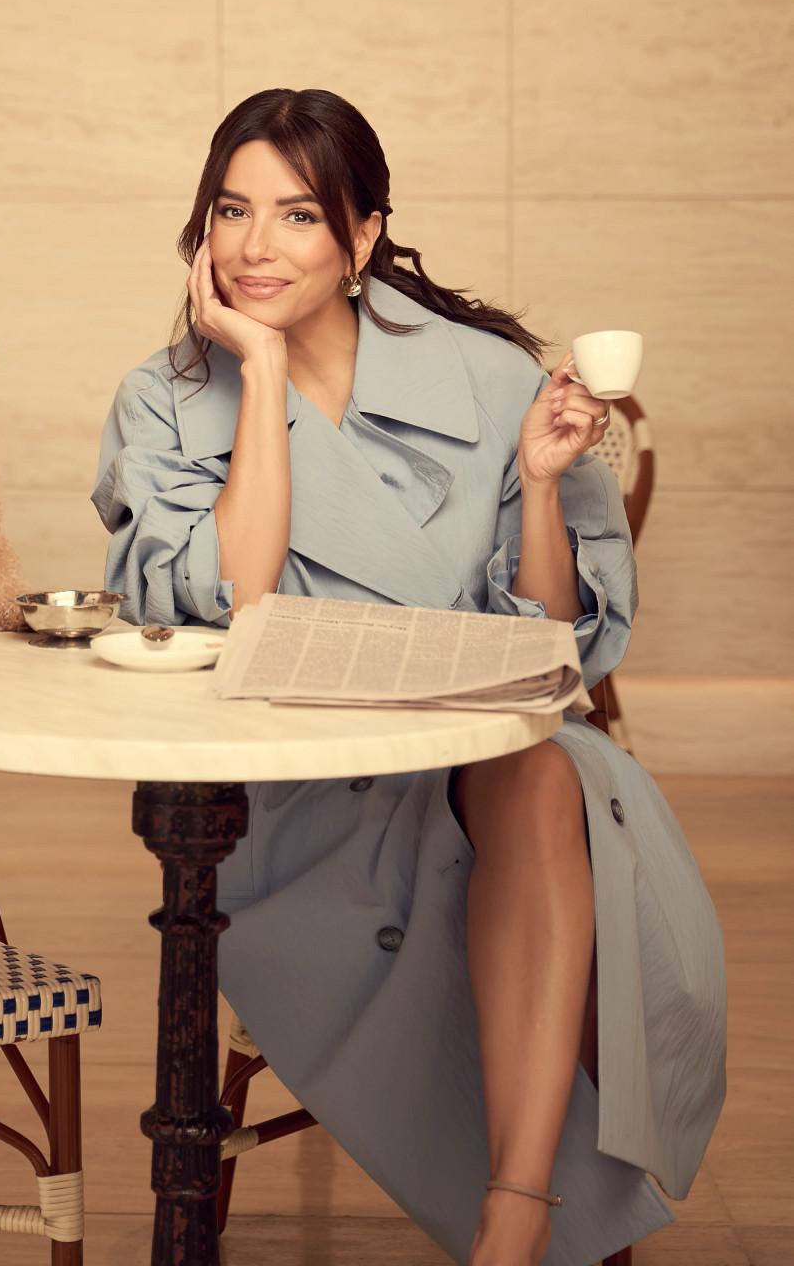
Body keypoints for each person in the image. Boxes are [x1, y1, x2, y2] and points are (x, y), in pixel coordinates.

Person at [92, 88, 725, 1266]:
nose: (252, 244)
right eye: (231, 210)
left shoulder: (488, 378)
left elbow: (543, 645)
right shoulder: (168, 397)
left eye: (294, 215)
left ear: (363, 235)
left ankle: (512, 1214)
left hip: (482, 752)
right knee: (531, 784)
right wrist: (264, 373)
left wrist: (538, 482)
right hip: (293, 790)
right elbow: (238, 587)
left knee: (540, 772)